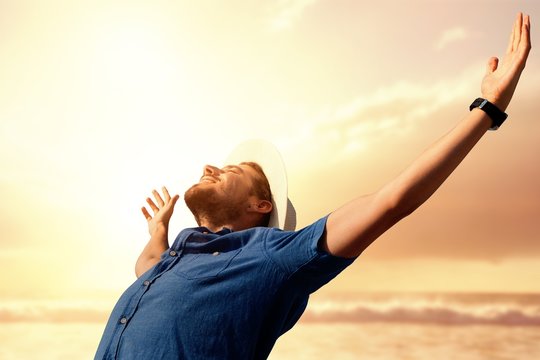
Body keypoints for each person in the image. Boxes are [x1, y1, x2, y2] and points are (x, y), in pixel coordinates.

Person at [95, 13, 531, 360]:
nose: (210, 166)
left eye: (232, 170)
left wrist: (487, 108)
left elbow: (390, 202)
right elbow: (147, 267)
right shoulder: (174, 260)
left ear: (259, 204)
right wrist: (157, 234)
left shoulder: (268, 256)